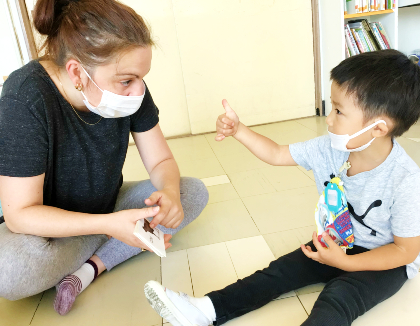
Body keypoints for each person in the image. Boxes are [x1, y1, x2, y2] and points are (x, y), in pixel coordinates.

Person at [143, 49, 420, 326]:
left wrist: (346, 264)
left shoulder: (406, 180)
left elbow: (405, 251)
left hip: (385, 261)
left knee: (338, 296)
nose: (329, 118)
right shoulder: (328, 149)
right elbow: (276, 153)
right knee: (281, 271)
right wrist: (239, 130)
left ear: (378, 128)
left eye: (338, 111)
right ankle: (206, 309)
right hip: (337, 241)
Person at [0, 0, 208, 316]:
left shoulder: (131, 88)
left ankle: (90, 267)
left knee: (190, 193)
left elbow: (161, 162)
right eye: (127, 80)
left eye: (141, 77)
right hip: (46, 227)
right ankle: (119, 240)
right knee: (9, 271)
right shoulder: (25, 96)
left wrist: (167, 193)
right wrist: (111, 226)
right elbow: (20, 215)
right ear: (77, 72)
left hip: (106, 208)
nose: (138, 90)